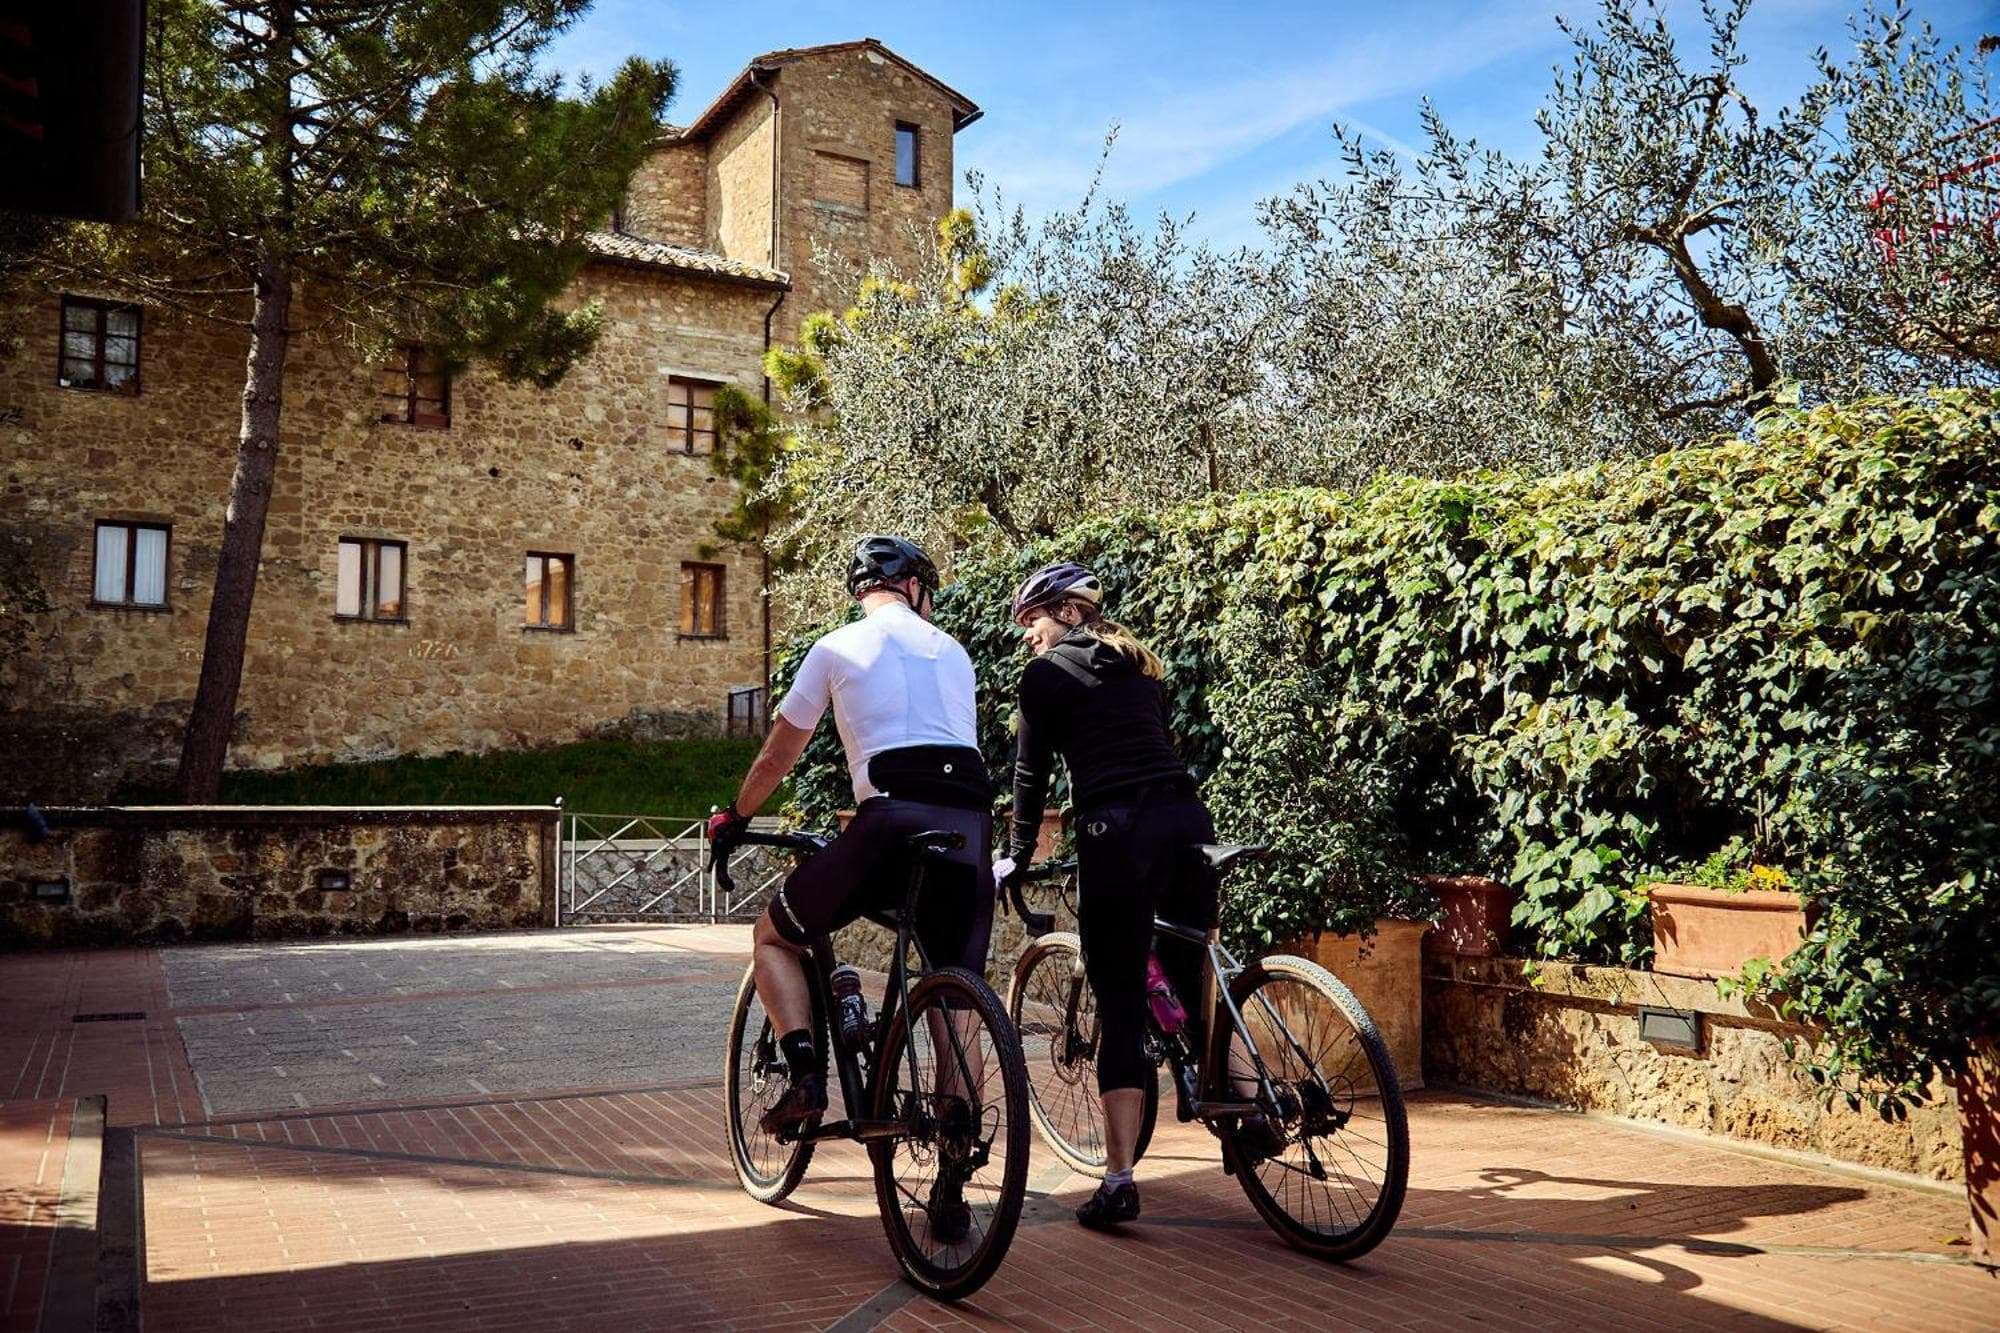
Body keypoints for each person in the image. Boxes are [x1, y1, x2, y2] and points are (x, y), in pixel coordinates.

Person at [707, 535, 995, 1144]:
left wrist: (735, 814)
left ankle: (806, 1078)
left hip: (889, 823)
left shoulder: (835, 647)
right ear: (912, 587)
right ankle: (957, 1143)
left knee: (773, 936)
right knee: (956, 996)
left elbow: (778, 754)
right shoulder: (955, 651)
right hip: (969, 827)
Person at [1002, 561, 1261, 1230]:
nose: (1027, 634)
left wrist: (1017, 855)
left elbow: (1030, 776)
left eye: (1031, 619)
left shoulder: (1044, 675)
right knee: (1194, 978)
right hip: (1187, 820)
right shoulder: (1141, 665)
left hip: (1117, 831)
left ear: (1066, 613)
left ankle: (1118, 1181)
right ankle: (1251, 1102)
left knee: (1118, 1002)